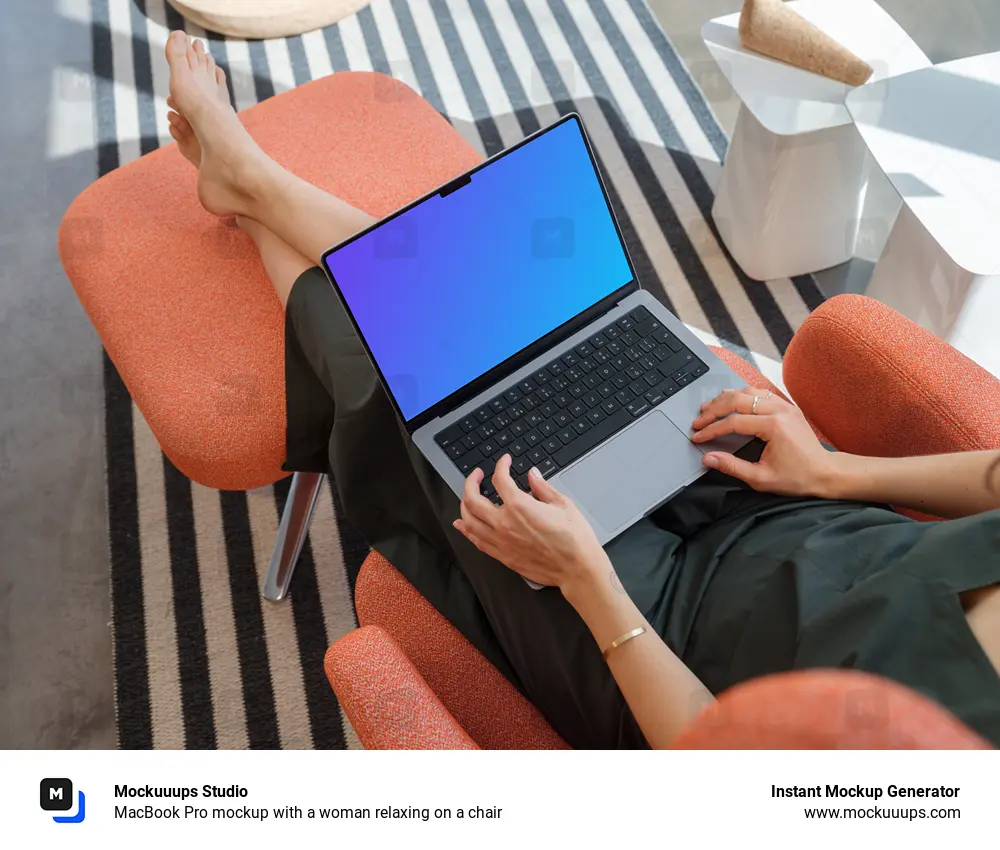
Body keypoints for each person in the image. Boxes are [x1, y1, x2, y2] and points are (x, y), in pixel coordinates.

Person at [163, 32, 1000, 749]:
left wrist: (588, 586)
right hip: (793, 514)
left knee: (417, 387)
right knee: (546, 329)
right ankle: (246, 185)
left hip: (658, 642)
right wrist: (830, 472)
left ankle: (246, 190)